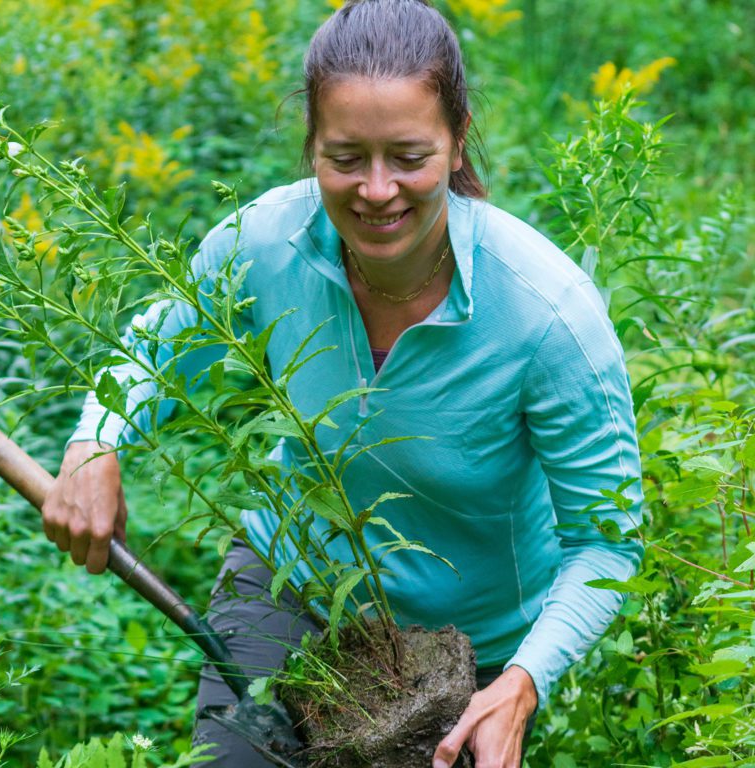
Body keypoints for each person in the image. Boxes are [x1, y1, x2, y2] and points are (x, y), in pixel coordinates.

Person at [41, 1, 644, 765]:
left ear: (458, 143)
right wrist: (95, 443)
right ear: (311, 146)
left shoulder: (546, 317)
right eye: (346, 157)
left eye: (409, 155)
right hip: (291, 581)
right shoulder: (264, 242)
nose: (378, 189)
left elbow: (608, 542)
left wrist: (523, 679)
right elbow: (156, 350)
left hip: (469, 651)